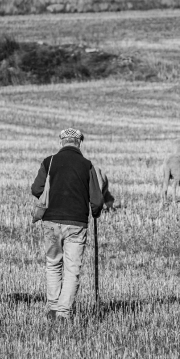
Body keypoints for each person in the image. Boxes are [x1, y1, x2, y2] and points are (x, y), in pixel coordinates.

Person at [31, 128, 103, 321]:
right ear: (79, 143)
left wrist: (52, 196)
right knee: (72, 269)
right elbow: (96, 201)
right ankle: (63, 312)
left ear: (62, 142)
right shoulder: (87, 165)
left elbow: (36, 188)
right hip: (76, 223)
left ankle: (53, 308)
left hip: (51, 221)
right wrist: (95, 212)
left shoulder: (49, 161)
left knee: (53, 264)